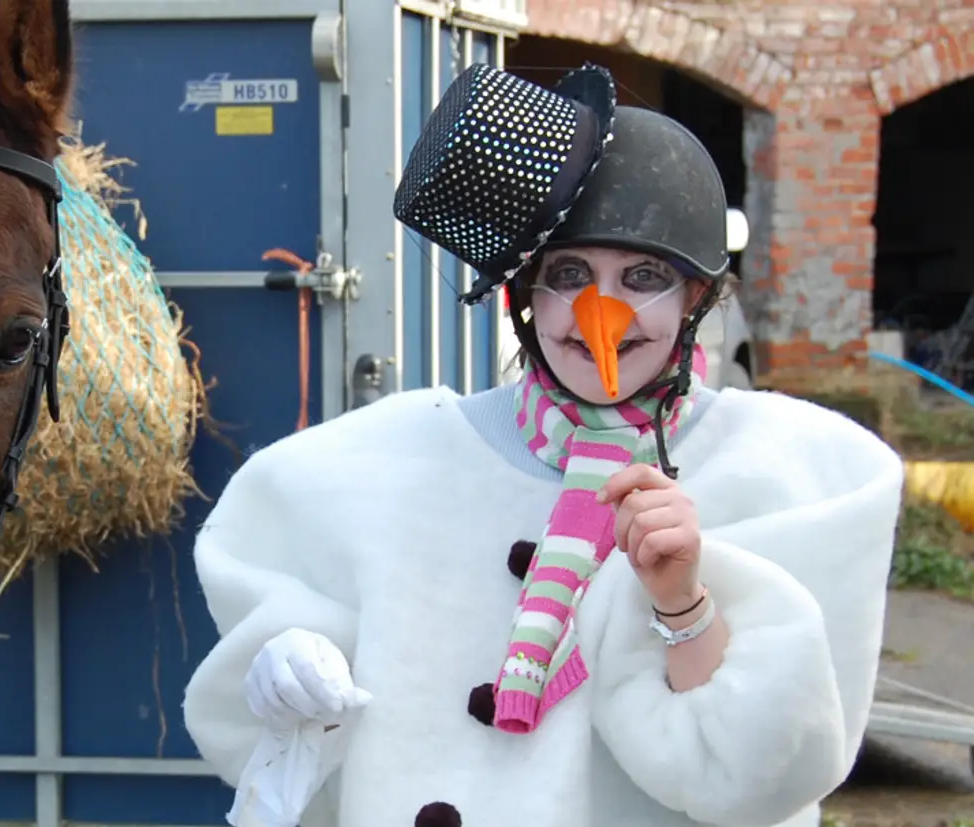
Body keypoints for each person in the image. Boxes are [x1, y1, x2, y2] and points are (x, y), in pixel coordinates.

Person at [180, 63, 905, 827]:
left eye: (644, 275)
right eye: (569, 273)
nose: (602, 311)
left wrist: (683, 601)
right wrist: (283, 671)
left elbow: (760, 777)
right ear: (523, 294)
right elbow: (279, 691)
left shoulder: (779, 475)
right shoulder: (377, 464)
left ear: (697, 296)